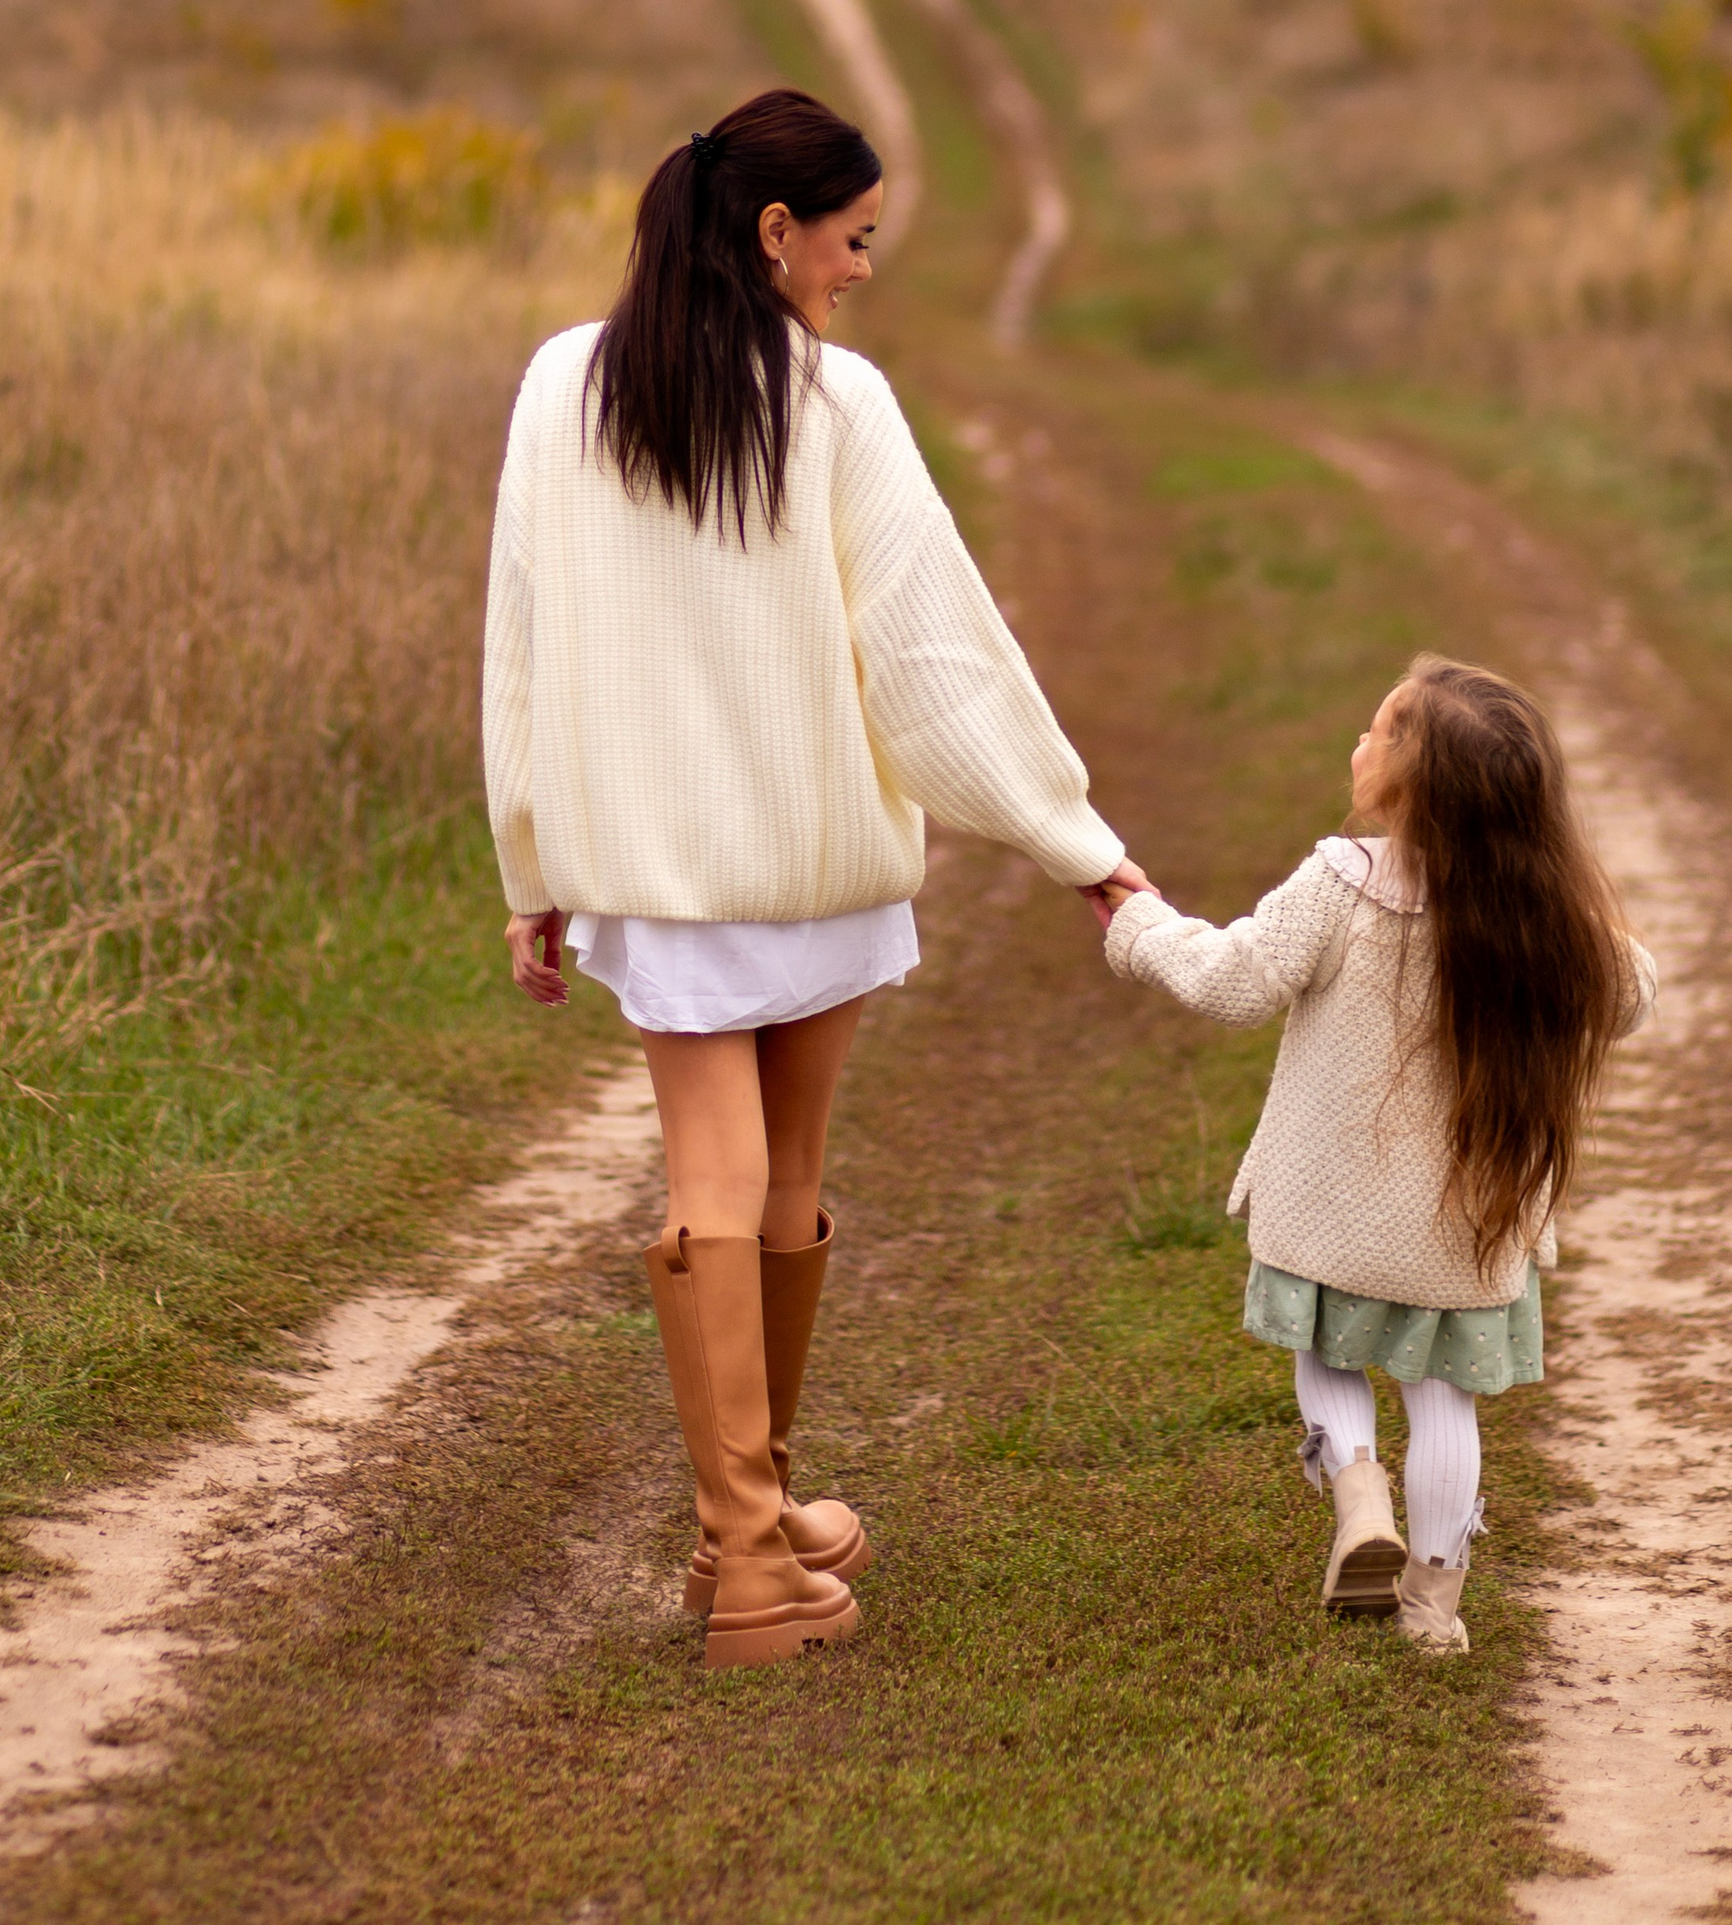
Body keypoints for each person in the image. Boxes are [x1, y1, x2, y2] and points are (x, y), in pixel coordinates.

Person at [483, 87, 1142, 1669]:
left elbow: (526, 643)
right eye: (853, 240)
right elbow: (933, 658)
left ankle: (754, 1531)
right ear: (776, 232)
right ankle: (751, 1555)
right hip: (817, 859)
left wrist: (533, 862)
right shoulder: (841, 407)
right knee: (777, 1184)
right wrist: (1074, 840)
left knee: (714, 1183)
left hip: (658, 870)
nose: (861, 270)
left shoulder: (565, 383)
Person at [1097, 654, 1655, 1652]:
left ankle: (1359, 1495)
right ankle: (1433, 1610)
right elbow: (1629, 997)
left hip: (1332, 1208)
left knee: (1325, 1353)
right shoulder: (1537, 913)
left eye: (1378, 729)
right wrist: (1565, 899)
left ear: (1408, 781)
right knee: (1443, 1403)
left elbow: (1234, 982)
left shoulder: (1340, 882)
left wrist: (1140, 924)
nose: (1359, 740)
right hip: (1465, 1223)